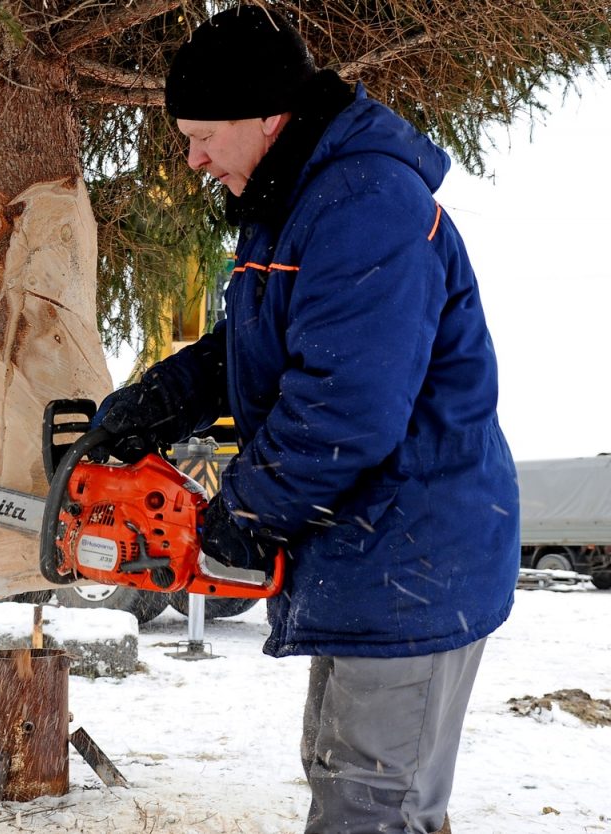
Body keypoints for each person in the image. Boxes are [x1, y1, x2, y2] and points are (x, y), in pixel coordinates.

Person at [91, 6, 520, 833]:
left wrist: (240, 516)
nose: (194, 159)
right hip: (369, 551)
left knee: (371, 806)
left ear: (266, 114)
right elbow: (257, 344)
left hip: (412, 554)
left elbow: (346, 405)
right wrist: (157, 401)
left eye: (205, 134)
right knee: (347, 779)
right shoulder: (298, 203)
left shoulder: (365, 207)